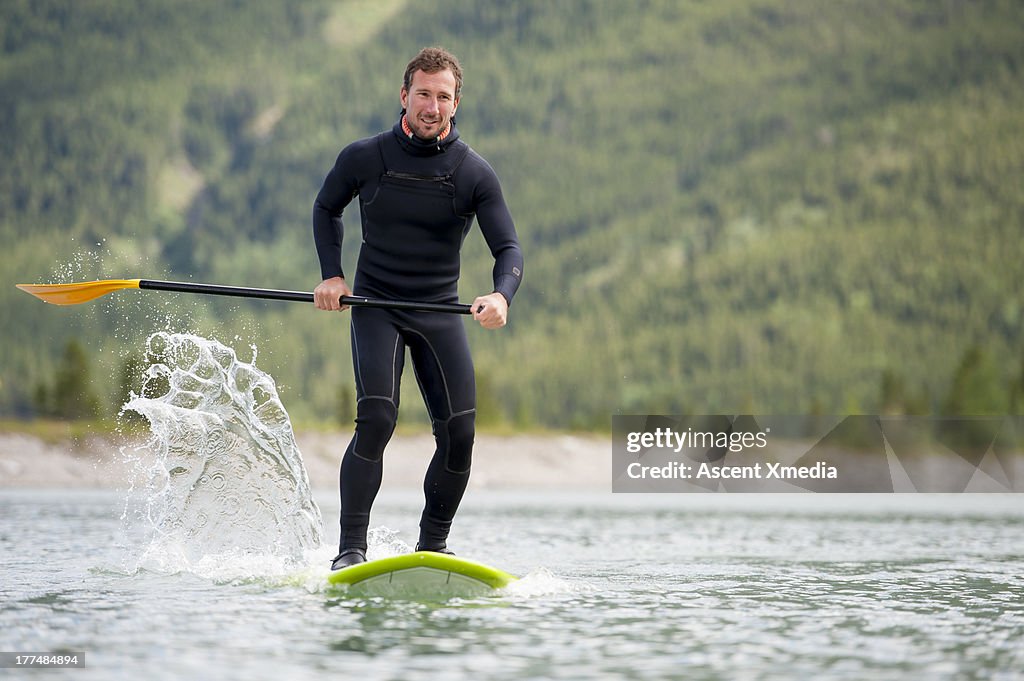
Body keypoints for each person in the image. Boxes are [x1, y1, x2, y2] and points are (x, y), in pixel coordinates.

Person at [311, 47, 524, 570]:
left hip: (437, 311)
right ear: (404, 96)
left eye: (443, 97)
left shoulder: (474, 173)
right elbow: (326, 208)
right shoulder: (365, 157)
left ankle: (432, 546)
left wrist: (500, 295)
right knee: (378, 418)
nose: (432, 106)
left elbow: (509, 251)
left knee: (460, 433)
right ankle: (350, 553)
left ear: (456, 104)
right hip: (376, 305)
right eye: (423, 94)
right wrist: (332, 276)